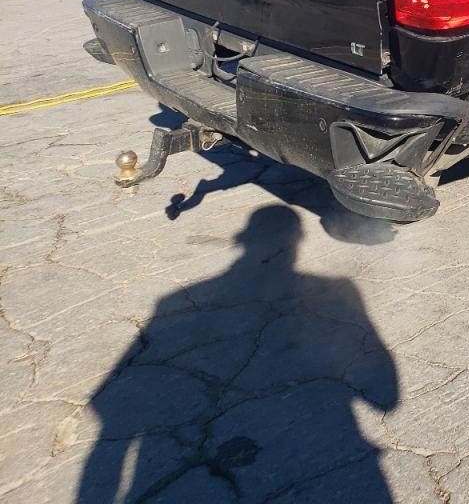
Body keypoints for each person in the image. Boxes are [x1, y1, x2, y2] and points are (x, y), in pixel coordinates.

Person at [77, 205, 398, 502]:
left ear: (245, 238)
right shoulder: (339, 290)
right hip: (328, 453)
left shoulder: (172, 301)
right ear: (299, 238)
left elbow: (111, 414)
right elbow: (387, 398)